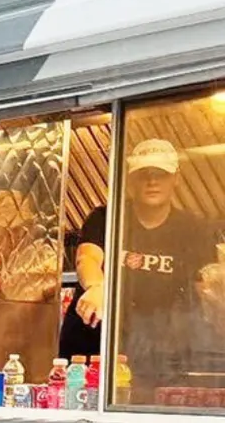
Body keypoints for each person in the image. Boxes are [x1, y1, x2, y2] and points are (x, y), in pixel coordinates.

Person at [58, 138, 216, 400]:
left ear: (175, 178)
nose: (152, 182)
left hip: (156, 355)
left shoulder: (193, 229)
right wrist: (97, 287)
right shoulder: (105, 218)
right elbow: (88, 257)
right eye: (144, 175)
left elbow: (206, 284)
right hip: (92, 348)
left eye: (160, 174)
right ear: (131, 180)